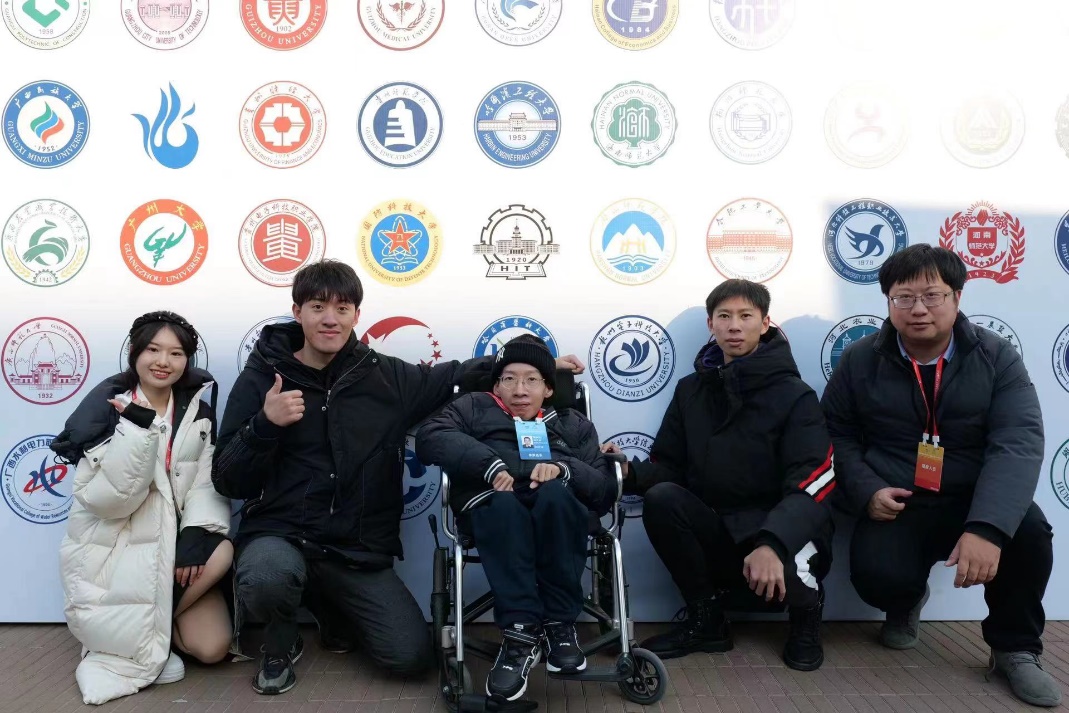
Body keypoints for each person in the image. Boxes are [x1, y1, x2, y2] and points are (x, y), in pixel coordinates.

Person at [211, 260, 584, 696]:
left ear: (356, 315)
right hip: (282, 534)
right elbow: (227, 480)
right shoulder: (263, 379)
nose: (330, 319)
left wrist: (533, 365)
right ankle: (280, 640)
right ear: (297, 312)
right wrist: (264, 425)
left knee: (409, 657)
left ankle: (330, 608)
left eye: (342, 308)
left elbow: (454, 376)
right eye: (317, 307)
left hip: (352, 549)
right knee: (266, 575)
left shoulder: (385, 376)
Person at [820, 244, 1060, 707]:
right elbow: (835, 433)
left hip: (973, 497)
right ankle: (905, 601)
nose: (918, 309)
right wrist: (867, 490)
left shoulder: (996, 356)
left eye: (932, 295)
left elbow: (1017, 441)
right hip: (898, 500)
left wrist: (988, 528)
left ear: (957, 297)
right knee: (876, 577)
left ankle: (1015, 649)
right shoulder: (860, 359)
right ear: (888, 301)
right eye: (903, 297)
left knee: (1028, 532)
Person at [603, 279, 835, 671]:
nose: (734, 326)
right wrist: (629, 471)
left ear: (765, 323)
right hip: (723, 528)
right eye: (724, 316)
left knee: (792, 544)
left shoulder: (795, 394)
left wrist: (772, 543)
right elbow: (670, 467)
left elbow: (813, 482)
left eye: (746, 316)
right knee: (663, 498)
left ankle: (806, 614)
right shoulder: (690, 390)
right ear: (711, 324)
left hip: (781, 529)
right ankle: (707, 621)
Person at [416, 335, 616, 702]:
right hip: (494, 505)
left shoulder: (573, 424)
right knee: (505, 505)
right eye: (509, 379)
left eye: (531, 380)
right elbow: (430, 437)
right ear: (496, 385)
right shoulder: (473, 407)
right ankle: (521, 632)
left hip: (558, 512)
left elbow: (602, 490)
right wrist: (490, 465)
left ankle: (559, 625)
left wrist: (563, 469)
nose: (519, 390)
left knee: (555, 495)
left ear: (549, 388)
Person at [54, 311, 233, 706]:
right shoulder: (106, 410)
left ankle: (152, 630)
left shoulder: (198, 409)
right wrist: (136, 430)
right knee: (175, 645)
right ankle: (136, 643)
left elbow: (206, 481)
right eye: (153, 349)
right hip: (117, 546)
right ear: (134, 353)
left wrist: (194, 532)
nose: (163, 361)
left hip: (173, 546)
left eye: (176, 353)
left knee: (212, 647)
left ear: (187, 359)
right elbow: (111, 501)